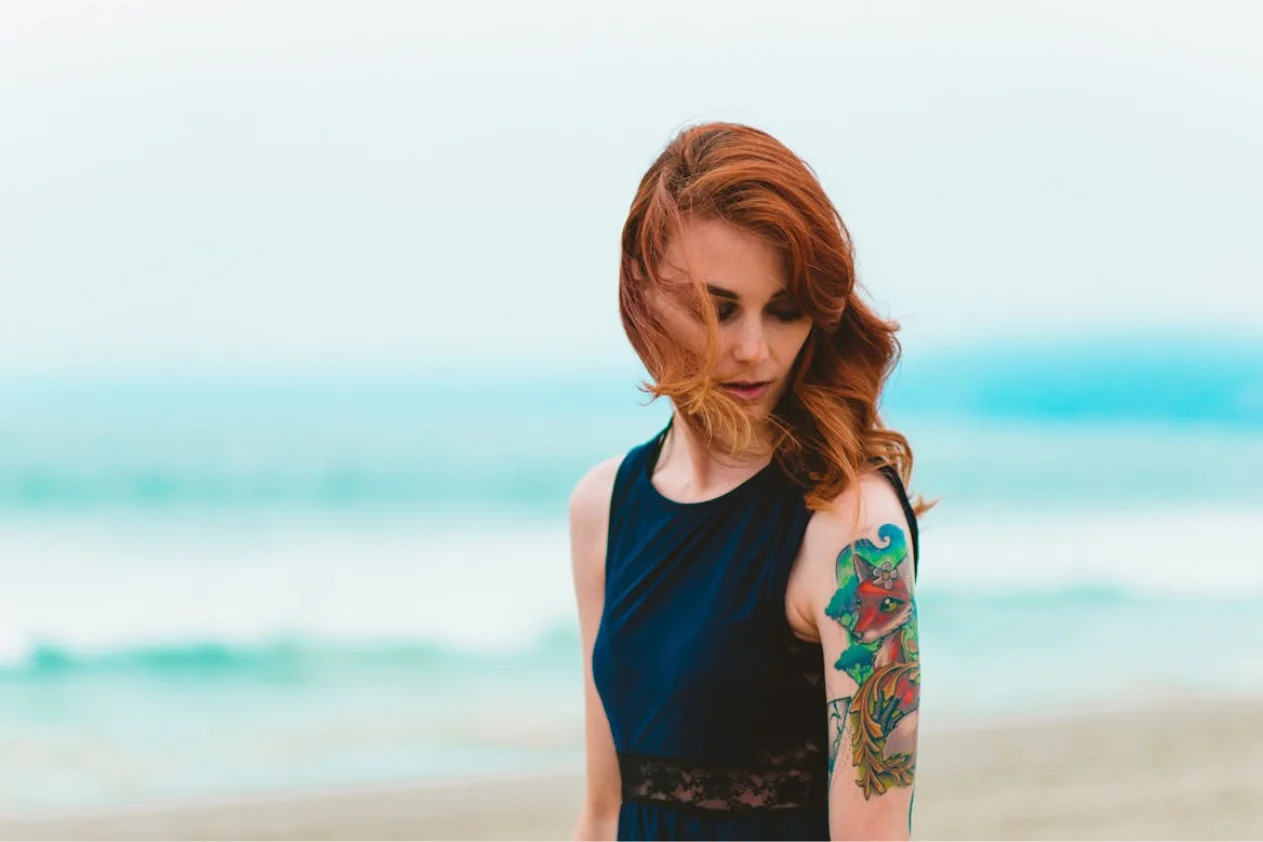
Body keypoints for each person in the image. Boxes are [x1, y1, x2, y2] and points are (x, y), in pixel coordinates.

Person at [569, 122, 931, 842]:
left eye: (785, 310)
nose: (754, 350)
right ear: (641, 293)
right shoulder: (602, 507)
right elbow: (605, 810)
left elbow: (876, 833)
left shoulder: (855, 531)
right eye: (717, 308)